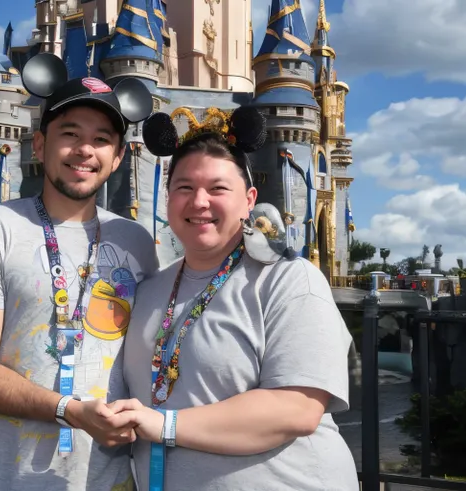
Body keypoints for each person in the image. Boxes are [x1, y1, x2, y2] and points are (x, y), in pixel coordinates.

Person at [0, 53, 158, 491]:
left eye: (102, 139)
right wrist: (69, 410)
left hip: (114, 479)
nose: (85, 150)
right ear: (39, 145)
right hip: (11, 479)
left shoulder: (136, 241)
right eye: (70, 134)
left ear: (118, 157)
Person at [116, 107, 358, 490]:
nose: (199, 201)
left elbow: (296, 410)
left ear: (249, 199)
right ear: (167, 199)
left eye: (217, 188)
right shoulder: (150, 290)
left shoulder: (288, 280)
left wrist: (165, 425)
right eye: (184, 187)